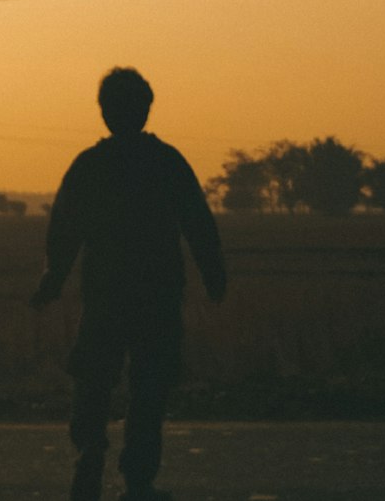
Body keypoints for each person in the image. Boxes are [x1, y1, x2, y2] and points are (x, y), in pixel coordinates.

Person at [30, 68, 226, 501]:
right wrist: (214, 275)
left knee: (94, 380)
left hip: (105, 296)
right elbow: (199, 223)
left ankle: (90, 455)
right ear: (146, 109)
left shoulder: (91, 165)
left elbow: (64, 230)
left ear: (104, 112)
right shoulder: (167, 161)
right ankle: (138, 477)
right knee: (149, 387)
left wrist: (52, 279)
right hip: (157, 295)